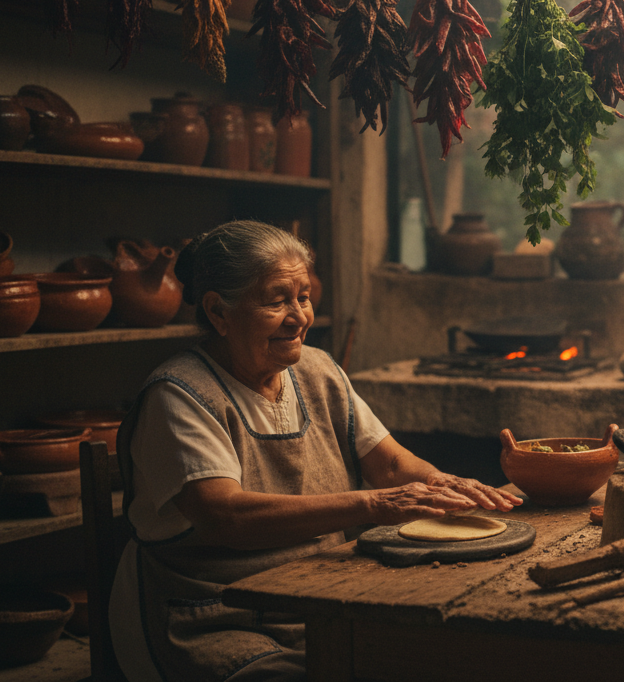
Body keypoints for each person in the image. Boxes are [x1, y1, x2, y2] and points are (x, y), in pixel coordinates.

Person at [109, 220, 521, 682]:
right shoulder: (179, 395)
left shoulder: (318, 370)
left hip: (323, 600)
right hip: (217, 615)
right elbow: (225, 516)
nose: (299, 316)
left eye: (302, 297)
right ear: (218, 312)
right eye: (276, 300)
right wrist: (374, 504)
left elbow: (388, 463)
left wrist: (440, 482)